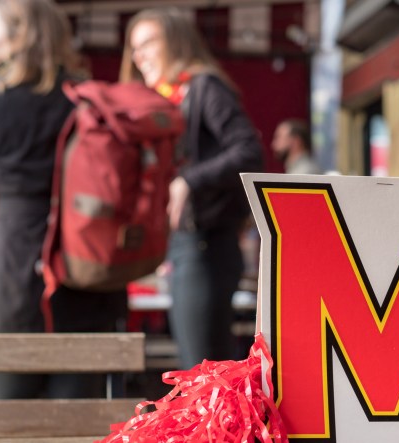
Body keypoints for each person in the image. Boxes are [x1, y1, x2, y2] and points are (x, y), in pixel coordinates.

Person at [0, 0, 126, 399]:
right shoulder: (87, 99)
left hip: (14, 266)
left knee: (8, 417)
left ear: (17, 37)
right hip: (85, 265)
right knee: (79, 418)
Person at [121, 8, 264, 369]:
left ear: (176, 41)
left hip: (206, 245)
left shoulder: (203, 87)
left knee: (203, 369)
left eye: (148, 43)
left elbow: (248, 150)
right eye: (134, 48)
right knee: (198, 366)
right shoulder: (167, 99)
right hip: (184, 245)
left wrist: (189, 179)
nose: (140, 56)